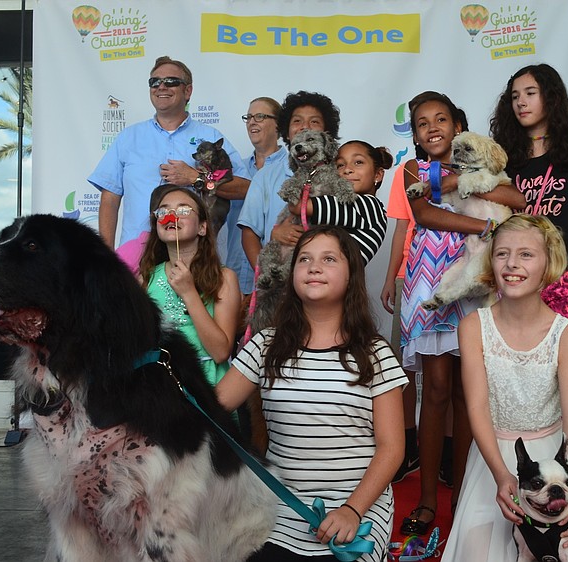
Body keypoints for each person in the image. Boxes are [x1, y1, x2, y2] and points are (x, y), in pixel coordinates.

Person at [216, 225, 407, 561]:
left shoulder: (375, 353)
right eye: (304, 259)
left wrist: (353, 510)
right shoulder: (265, 345)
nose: (314, 267)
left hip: (358, 507)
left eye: (328, 259)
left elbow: (392, 448)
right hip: (279, 507)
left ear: (351, 277)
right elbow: (209, 409)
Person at [399, 91, 526, 535]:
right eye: (421, 123)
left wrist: (459, 184)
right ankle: (430, 499)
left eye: (441, 120)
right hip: (433, 276)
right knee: (433, 390)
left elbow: (518, 197)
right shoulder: (415, 170)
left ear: (458, 126)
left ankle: (463, 501)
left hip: (479, 276)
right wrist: (484, 225)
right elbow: (425, 213)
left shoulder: (476, 165)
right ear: (414, 134)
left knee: (466, 394)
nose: (432, 128)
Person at [443, 214, 568, 561]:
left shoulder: (566, 335)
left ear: (548, 264)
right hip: (491, 459)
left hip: (553, 462)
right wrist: (501, 474)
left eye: (526, 254)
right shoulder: (473, 327)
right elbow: (477, 407)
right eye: (502, 254)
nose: (512, 263)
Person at [89, 55, 250, 250]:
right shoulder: (129, 137)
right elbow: (110, 200)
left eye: (171, 81)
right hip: (136, 255)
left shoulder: (210, 136)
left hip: (196, 255)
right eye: (154, 82)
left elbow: (245, 188)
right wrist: (106, 257)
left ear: (188, 91)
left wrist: (196, 178)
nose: (161, 87)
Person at [490, 63, 568, 334]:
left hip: (567, 273)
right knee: (518, 361)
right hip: (514, 271)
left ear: (550, 98)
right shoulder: (502, 156)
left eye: (530, 93)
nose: (521, 103)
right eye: (515, 96)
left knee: (564, 360)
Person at [138, 185, 241, 388]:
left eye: (183, 210)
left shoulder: (224, 278)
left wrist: (188, 292)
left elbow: (220, 352)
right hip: (160, 388)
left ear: (202, 227)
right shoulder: (146, 279)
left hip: (207, 387)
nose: (171, 216)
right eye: (164, 211)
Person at [237, 91, 340, 273]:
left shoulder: (340, 172)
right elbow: (249, 234)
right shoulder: (265, 176)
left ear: (326, 132)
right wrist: (274, 235)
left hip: (326, 279)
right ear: (286, 130)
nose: (304, 127)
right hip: (279, 283)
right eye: (297, 121)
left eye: (314, 122)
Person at [286, 140, 391, 264]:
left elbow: (297, 206)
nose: (347, 170)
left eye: (358, 162)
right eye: (340, 165)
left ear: (378, 175)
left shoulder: (369, 207)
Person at [380, 163, 420, 483]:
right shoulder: (406, 170)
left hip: (447, 274)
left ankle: (447, 451)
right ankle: (408, 447)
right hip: (409, 275)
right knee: (402, 368)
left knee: (445, 370)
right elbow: (401, 227)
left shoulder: (462, 163)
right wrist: (392, 276)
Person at [227, 97, 286, 296]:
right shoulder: (234, 170)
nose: (252, 121)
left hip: (277, 281)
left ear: (279, 124)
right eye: (249, 117)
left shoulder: (293, 170)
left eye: (260, 116)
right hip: (233, 277)